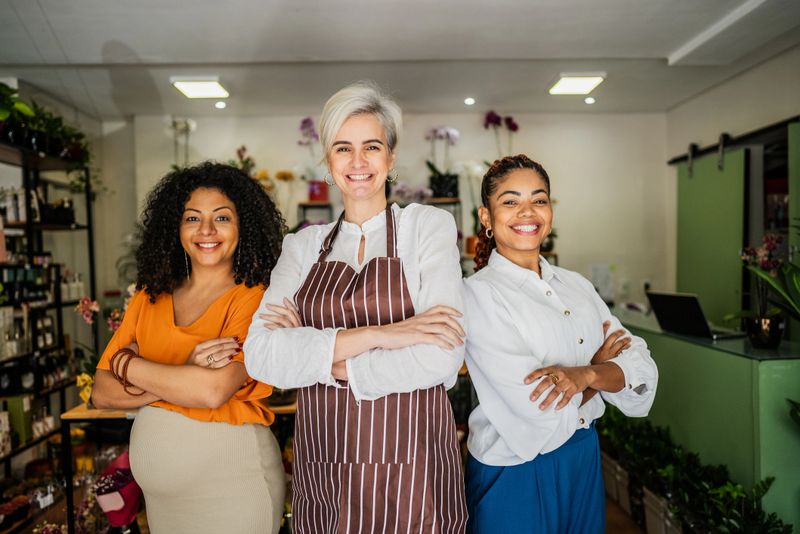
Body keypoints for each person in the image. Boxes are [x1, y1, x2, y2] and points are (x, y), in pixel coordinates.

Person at [244, 81, 468, 533]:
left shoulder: (426, 227)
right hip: (328, 459)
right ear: (328, 161)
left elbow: (443, 353)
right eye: (343, 148)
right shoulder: (303, 246)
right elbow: (261, 356)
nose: (358, 161)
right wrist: (384, 333)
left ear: (391, 157)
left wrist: (321, 359)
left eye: (371, 146)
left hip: (414, 460)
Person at [462, 154, 658, 533]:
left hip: (582, 458)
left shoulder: (577, 287)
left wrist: (586, 373)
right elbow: (536, 410)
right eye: (510, 201)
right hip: (513, 471)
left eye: (539, 199)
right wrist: (602, 377)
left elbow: (642, 366)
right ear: (486, 217)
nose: (527, 212)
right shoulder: (476, 295)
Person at [91, 162, 287, 534]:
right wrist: (186, 367)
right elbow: (102, 392)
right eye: (192, 218)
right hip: (165, 505)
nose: (207, 230)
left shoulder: (256, 298)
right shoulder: (149, 295)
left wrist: (126, 363)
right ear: (175, 227)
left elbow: (213, 391)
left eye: (222, 218)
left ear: (243, 225)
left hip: (234, 487)